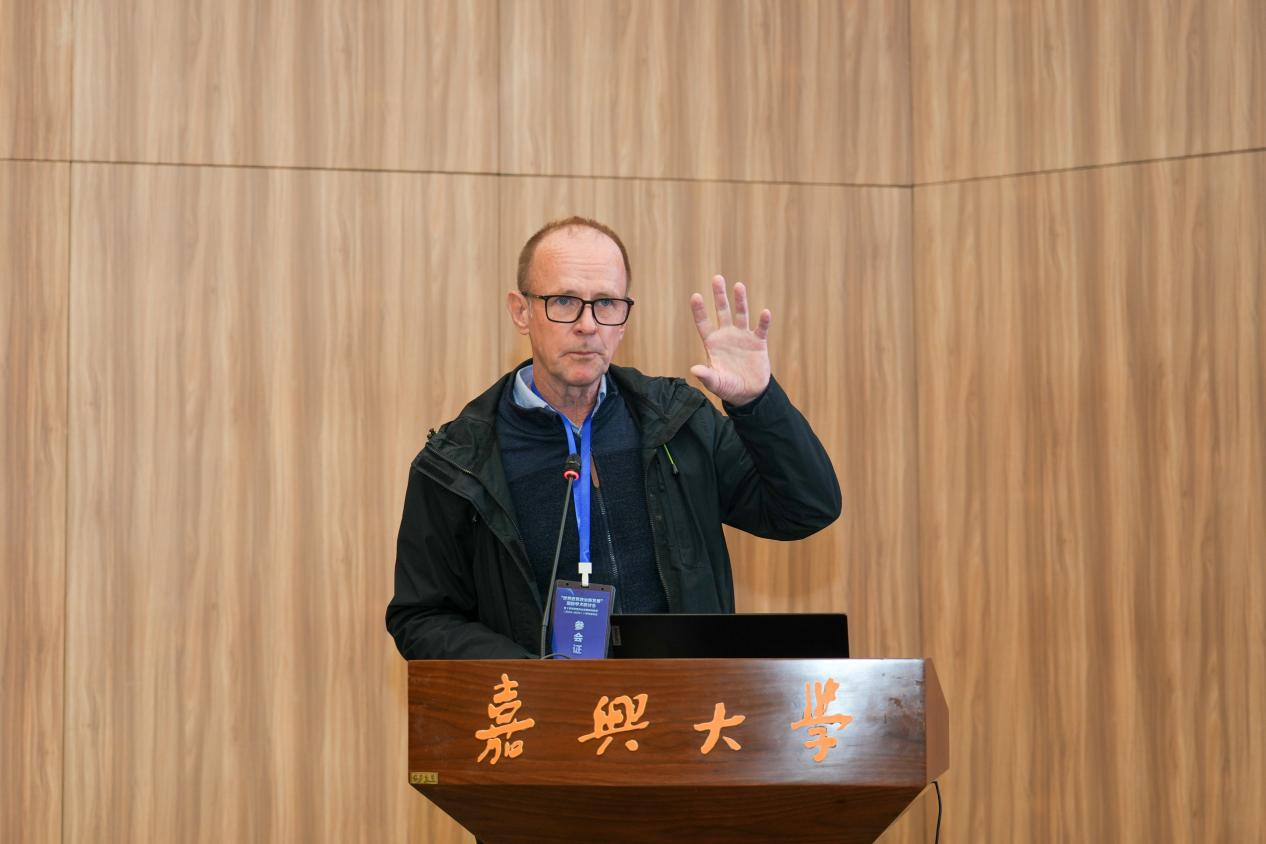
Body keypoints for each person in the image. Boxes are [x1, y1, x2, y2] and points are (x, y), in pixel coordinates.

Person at [386, 217, 840, 659]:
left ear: (623, 318)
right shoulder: (458, 461)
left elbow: (805, 509)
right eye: (564, 301)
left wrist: (757, 403)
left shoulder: (677, 421)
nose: (587, 325)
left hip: (681, 700)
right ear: (521, 312)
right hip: (547, 706)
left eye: (605, 303)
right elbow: (422, 617)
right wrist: (529, 678)